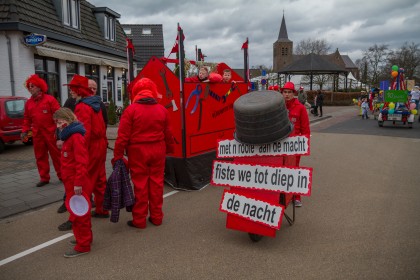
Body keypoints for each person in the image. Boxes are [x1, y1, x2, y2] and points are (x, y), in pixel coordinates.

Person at [112, 78, 174, 228]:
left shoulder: (130, 110)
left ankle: (139, 220)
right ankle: (157, 217)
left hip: (138, 151)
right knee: (157, 184)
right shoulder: (162, 110)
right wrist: (170, 149)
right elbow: (168, 134)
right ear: (152, 91)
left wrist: (117, 156)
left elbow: (122, 137)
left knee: (140, 185)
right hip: (158, 150)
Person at [65, 75, 109, 219]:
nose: (71, 91)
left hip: (92, 148)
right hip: (101, 145)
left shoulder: (82, 107)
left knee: (85, 181)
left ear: (79, 90)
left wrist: (80, 153)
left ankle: (79, 218)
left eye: (72, 89)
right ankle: (102, 209)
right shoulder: (96, 103)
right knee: (100, 179)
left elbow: (84, 133)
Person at [53, 107, 92, 258]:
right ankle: (85, 238)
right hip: (72, 182)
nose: (58, 126)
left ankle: (83, 245)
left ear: (67, 120)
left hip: (76, 183)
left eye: (59, 122)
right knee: (79, 212)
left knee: (79, 214)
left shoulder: (75, 137)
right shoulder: (70, 136)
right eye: (56, 123)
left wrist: (78, 183)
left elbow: (82, 162)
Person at [22, 74, 62, 187]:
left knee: (57, 156)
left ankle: (62, 176)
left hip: (51, 133)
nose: (30, 88)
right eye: (29, 86)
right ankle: (44, 178)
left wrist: (59, 130)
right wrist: (24, 130)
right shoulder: (28, 103)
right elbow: (26, 118)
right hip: (37, 134)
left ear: (40, 87)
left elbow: (58, 115)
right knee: (40, 156)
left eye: (32, 86)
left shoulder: (50, 100)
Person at [281, 81, 310, 207]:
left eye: (289, 92)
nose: (287, 95)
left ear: (294, 94)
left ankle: (296, 197)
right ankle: (283, 195)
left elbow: (306, 129)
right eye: (285, 92)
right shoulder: (279, 107)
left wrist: (304, 145)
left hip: (295, 145)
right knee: (282, 170)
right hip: (281, 145)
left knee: (294, 169)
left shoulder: (301, 108)